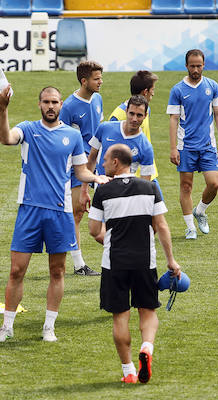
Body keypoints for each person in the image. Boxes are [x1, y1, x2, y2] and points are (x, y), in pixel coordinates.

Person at [0, 84, 109, 343]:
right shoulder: (27, 129)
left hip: (60, 212)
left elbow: (80, 172)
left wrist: (95, 178)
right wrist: (3, 108)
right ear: (39, 104)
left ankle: (49, 327)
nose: (50, 106)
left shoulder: (71, 136)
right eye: (46, 102)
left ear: (60, 105)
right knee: (16, 270)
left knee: (57, 271)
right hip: (30, 210)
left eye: (55, 102)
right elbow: (5, 138)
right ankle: (7, 326)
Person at [88, 144, 180, 384]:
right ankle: (147, 348)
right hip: (144, 261)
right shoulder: (150, 188)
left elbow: (93, 230)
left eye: (106, 160)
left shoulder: (103, 191)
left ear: (117, 163)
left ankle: (129, 371)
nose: (103, 164)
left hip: (114, 263)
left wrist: (108, 239)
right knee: (147, 312)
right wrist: (171, 260)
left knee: (120, 317)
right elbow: (161, 226)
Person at [166, 49, 218, 240]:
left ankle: (200, 211)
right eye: (192, 66)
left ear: (203, 65)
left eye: (198, 66)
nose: (195, 69)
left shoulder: (212, 86)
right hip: (186, 147)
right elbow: (174, 119)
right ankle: (190, 227)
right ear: (186, 66)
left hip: (208, 145)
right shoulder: (177, 90)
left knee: (214, 184)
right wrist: (173, 147)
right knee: (186, 187)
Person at [87, 95, 156, 243]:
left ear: (145, 116)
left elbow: (145, 185)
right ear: (126, 111)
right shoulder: (105, 128)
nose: (134, 119)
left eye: (139, 115)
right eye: (131, 113)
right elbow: (91, 159)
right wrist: (84, 190)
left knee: (116, 236)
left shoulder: (145, 147)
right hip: (101, 191)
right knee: (95, 231)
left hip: (124, 196)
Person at [58, 60, 104, 276]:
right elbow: (62, 139)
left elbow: (100, 130)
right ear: (84, 80)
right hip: (78, 167)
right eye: (96, 79)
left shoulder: (98, 99)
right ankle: (78, 264)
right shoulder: (68, 107)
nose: (100, 82)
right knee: (77, 213)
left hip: (98, 164)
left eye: (101, 77)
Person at [109, 70, 159, 182]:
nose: (153, 93)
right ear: (146, 92)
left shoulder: (146, 110)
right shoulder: (116, 117)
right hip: (129, 177)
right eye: (153, 90)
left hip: (148, 170)